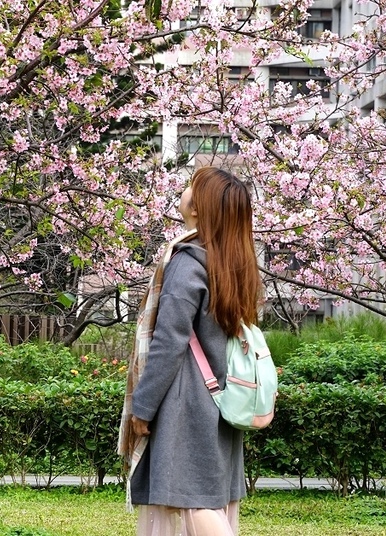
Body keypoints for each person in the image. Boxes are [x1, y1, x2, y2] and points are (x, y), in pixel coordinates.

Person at [121, 166, 263, 535]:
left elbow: (169, 341)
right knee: (208, 496)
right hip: (222, 397)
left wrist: (143, 406)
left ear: (199, 207)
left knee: (188, 501)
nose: (183, 191)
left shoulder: (187, 263)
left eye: (190, 187)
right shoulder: (233, 264)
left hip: (186, 403)